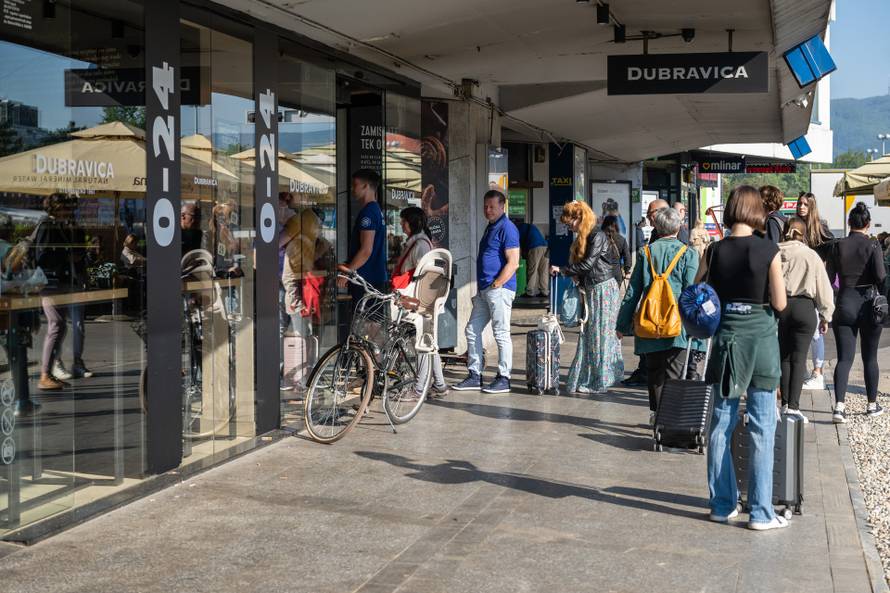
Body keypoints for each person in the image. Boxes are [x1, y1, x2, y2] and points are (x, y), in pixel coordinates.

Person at [698, 185, 788, 531]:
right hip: (761, 342)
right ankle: (761, 513)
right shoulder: (768, 250)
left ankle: (722, 504)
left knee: (721, 423)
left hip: (726, 342)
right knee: (762, 427)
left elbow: (698, 291)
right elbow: (779, 303)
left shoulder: (714, 251)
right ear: (757, 212)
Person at [617, 207, 699, 425]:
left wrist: (622, 325)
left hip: (649, 322)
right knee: (675, 373)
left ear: (657, 227)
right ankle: (669, 420)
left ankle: (656, 415)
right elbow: (691, 292)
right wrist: (697, 328)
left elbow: (632, 292)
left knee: (654, 372)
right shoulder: (688, 254)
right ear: (678, 227)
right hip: (677, 324)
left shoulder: (645, 253)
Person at [550, 202, 624, 394]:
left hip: (602, 290)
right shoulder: (590, 235)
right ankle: (596, 378)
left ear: (580, 218)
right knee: (594, 335)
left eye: (570, 223)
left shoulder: (596, 235)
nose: (570, 227)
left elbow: (588, 264)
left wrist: (563, 270)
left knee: (600, 335)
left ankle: (600, 380)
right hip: (596, 289)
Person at [453, 189, 520, 394]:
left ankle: (504, 378)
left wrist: (497, 284)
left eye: (492, 206)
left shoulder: (507, 228)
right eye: (485, 206)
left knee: (501, 333)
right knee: (472, 330)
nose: (488, 210)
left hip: (499, 289)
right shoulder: (490, 227)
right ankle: (475, 375)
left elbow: (513, 262)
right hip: (486, 290)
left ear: (502, 206)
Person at [827, 203, 887, 423]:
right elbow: (880, 276)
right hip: (868, 304)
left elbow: (829, 277)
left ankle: (839, 407)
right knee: (870, 357)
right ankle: (871, 405)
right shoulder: (873, 245)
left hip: (845, 302)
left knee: (844, 358)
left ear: (849, 223)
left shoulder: (837, 245)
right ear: (868, 224)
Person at [777, 217, 834, 423]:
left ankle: (784, 404)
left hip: (781, 306)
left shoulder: (775, 252)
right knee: (799, 358)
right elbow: (824, 288)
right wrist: (826, 316)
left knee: (783, 357)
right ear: (804, 234)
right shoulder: (811, 255)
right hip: (805, 307)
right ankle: (793, 407)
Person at [33, 194, 92, 389]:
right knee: (57, 324)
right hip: (51, 283)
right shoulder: (47, 225)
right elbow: (42, 256)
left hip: (60, 281)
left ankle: (49, 372)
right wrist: (67, 257)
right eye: (66, 207)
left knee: (60, 326)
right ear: (56, 207)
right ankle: (45, 374)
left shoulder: (57, 225)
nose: (69, 211)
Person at [394, 207, 449, 400]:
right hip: (420, 302)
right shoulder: (419, 243)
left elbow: (426, 278)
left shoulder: (421, 245)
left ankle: (418, 389)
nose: (401, 224)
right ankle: (440, 385)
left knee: (422, 344)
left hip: (419, 303)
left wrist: (418, 303)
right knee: (428, 343)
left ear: (412, 223)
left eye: (403, 221)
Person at [621, 199, 671, 388]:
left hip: (664, 300)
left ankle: (649, 374)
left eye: (651, 214)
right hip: (653, 297)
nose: (648, 218)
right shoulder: (656, 234)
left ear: (661, 213)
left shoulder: (674, 236)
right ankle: (645, 371)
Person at [796, 192, 835, 390]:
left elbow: (832, 249)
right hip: (798, 285)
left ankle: (818, 372)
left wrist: (825, 271)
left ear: (811, 206)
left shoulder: (821, 228)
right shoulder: (794, 226)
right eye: (799, 204)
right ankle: (803, 370)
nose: (801, 207)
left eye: (805, 204)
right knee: (800, 330)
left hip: (816, 285)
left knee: (816, 332)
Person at [338, 169, 388, 302]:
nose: (352, 189)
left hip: (367, 279)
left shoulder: (369, 212)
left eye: (355, 185)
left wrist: (347, 273)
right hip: (372, 277)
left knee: (365, 316)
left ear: (366, 186)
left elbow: (366, 250)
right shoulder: (375, 209)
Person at [516, 221, 549, 298]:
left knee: (532, 270)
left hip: (535, 248)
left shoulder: (518, 229)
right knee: (543, 271)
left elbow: (518, 245)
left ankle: (529, 291)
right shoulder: (530, 227)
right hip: (545, 247)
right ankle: (544, 291)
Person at [601, 215, 630, 284]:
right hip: (616, 274)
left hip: (602, 274)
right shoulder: (621, 239)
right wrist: (627, 271)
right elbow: (627, 256)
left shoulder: (598, 238)